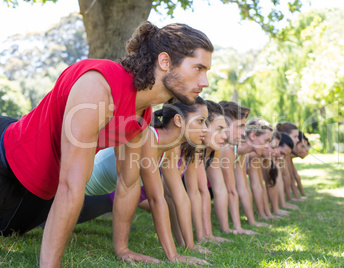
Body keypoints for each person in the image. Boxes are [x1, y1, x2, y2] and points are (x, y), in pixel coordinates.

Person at [0, 20, 213, 266]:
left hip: (40, 194)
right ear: (165, 62)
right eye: (198, 68)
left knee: (8, 232)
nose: (205, 81)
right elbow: (71, 185)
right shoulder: (99, 86)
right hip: (8, 162)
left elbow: (129, 184)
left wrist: (123, 248)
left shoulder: (142, 115)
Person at [74, 98, 211, 265]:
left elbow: (180, 197)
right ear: (178, 121)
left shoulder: (168, 149)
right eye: (201, 121)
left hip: (89, 196)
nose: (205, 129)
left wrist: (190, 246)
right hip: (79, 194)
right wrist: (174, 256)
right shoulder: (148, 139)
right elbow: (155, 200)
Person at [183, 100, 230, 242]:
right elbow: (196, 191)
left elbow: (215, 189)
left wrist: (209, 235)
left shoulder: (210, 150)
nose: (224, 136)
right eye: (219, 129)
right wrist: (202, 237)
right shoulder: (191, 148)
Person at [218, 101, 258, 234]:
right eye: (239, 127)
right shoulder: (226, 148)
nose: (242, 133)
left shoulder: (234, 147)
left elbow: (242, 187)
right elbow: (230, 190)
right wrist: (237, 228)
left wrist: (252, 222)